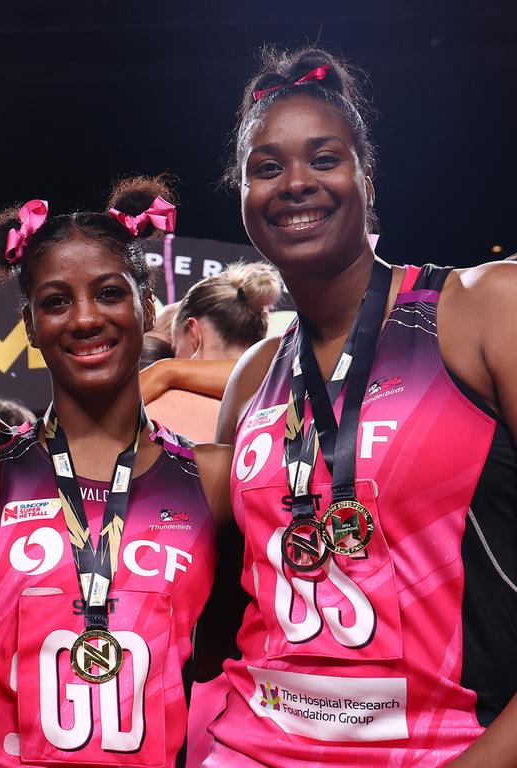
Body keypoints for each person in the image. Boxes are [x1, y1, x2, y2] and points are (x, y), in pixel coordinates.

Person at [203, 47, 517, 766]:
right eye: (267, 167)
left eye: (324, 158)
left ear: (366, 180)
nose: (295, 184)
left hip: (450, 747)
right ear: (245, 195)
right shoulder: (252, 378)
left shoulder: (480, 310)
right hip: (254, 744)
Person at [0, 178, 232, 766]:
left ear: (148, 307)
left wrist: (176, 376)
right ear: (30, 325)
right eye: (56, 301)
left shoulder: (210, 478)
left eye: (109, 293)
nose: (85, 319)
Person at [142, 262, 281, 441]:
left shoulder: (151, 409)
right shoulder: (283, 403)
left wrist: (167, 369)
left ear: (194, 333)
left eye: (176, 348)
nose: (176, 357)